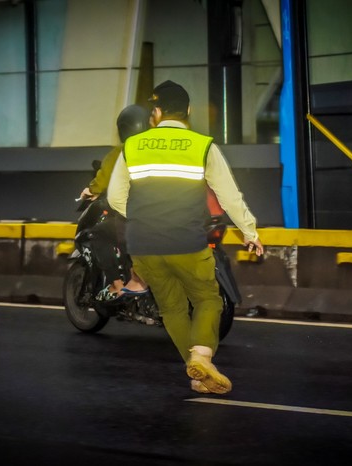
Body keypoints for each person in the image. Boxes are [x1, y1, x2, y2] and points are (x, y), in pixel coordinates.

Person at [107, 80, 264, 394]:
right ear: (188, 111)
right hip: (186, 242)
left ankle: (198, 375)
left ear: (156, 112)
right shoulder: (202, 145)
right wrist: (250, 232)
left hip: (143, 244)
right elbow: (230, 196)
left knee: (172, 309)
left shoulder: (133, 146)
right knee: (207, 299)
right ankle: (202, 357)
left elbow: (114, 197)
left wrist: (142, 216)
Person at [78, 104, 150, 300]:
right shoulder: (155, 150)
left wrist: (90, 191)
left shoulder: (119, 153)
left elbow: (102, 180)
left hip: (133, 216)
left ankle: (116, 285)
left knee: (98, 235)